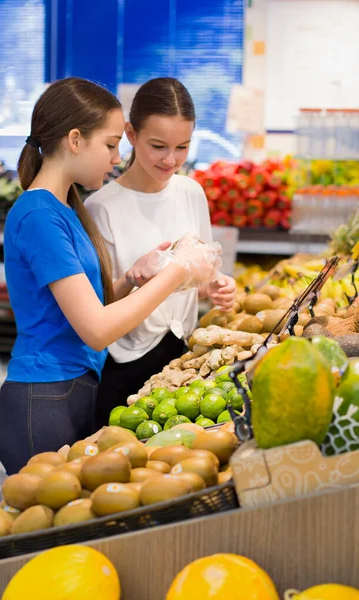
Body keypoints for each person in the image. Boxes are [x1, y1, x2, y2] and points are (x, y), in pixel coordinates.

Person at [0, 77, 222, 475]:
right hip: (42, 399)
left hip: (73, 391)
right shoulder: (39, 215)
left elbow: (83, 308)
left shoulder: (65, 209)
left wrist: (134, 278)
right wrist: (178, 270)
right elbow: (96, 330)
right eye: (111, 144)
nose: (117, 158)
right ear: (76, 140)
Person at [85, 77, 236, 428]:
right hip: (122, 365)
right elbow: (97, 305)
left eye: (182, 147)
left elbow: (197, 277)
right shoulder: (101, 207)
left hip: (184, 358)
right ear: (131, 134)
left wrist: (214, 286)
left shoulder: (191, 193)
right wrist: (132, 277)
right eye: (158, 146)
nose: (171, 160)